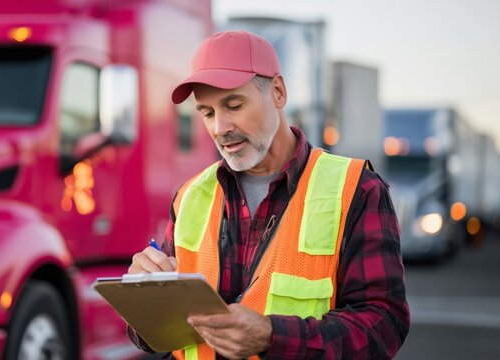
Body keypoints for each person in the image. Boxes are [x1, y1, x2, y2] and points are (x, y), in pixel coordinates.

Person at [127, 30, 409, 360]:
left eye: (234, 105)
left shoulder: (357, 189)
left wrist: (271, 337)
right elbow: (155, 337)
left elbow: (383, 326)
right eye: (207, 113)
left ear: (277, 92)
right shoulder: (190, 196)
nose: (220, 127)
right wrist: (144, 296)